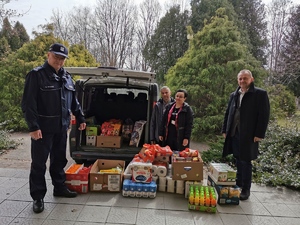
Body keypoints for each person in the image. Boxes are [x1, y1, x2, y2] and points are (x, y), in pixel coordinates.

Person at [21, 43, 86, 213]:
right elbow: (29, 104)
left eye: (62, 58)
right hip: (42, 130)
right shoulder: (36, 76)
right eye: (56, 56)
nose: (59, 60)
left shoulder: (67, 77)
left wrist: (80, 117)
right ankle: (38, 197)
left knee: (59, 161)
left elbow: (74, 101)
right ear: (48, 55)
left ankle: (59, 188)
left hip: (61, 128)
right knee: (39, 164)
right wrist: (33, 127)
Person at [222, 69, 270, 200]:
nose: (242, 81)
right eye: (240, 79)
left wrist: (259, 133)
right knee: (238, 159)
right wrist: (225, 130)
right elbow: (228, 113)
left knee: (246, 161)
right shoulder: (234, 94)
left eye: (245, 78)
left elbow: (264, 115)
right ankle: (238, 183)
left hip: (249, 134)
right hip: (234, 132)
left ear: (251, 79)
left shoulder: (260, 94)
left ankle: (246, 189)